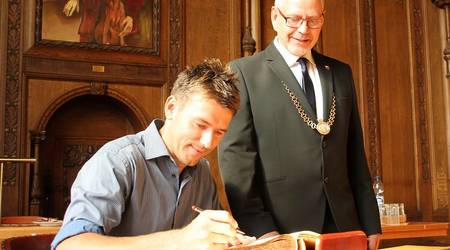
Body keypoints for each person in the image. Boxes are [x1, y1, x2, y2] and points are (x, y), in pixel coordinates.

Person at [218, 0, 382, 249]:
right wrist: (261, 230)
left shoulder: (340, 73)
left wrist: (370, 222)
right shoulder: (244, 73)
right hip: (281, 231)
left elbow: (355, 154)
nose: (304, 29)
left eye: (313, 20)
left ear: (323, 19)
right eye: (293, 19)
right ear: (275, 17)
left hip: (345, 226)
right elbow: (236, 162)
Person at [51, 58, 242, 250]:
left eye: (219, 133)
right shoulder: (117, 161)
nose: (208, 143)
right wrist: (179, 241)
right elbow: (69, 245)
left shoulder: (202, 172)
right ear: (171, 108)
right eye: (200, 125)